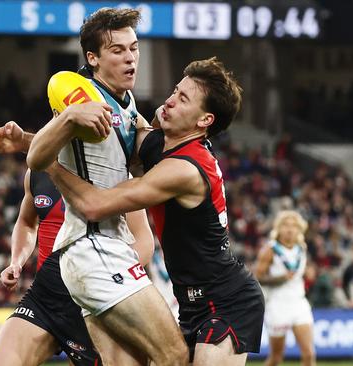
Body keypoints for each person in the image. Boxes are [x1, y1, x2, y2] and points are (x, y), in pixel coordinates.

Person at [42, 57, 265, 366]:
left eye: (183, 99)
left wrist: (48, 163)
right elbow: (118, 141)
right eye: (175, 90)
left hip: (227, 301)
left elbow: (94, 205)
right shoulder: (162, 145)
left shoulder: (184, 169)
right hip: (191, 301)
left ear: (205, 121)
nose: (170, 101)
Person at [21, 7, 188, 366]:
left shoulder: (127, 106)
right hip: (91, 247)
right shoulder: (79, 95)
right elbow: (36, 157)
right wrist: (67, 118)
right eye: (118, 50)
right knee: (174, 354)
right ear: (93, 58)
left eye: (134, 47)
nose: (130, 57)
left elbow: (146, 152)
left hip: (107, 247)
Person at [0, 161, 155, 364]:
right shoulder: (38, 171)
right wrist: (16, 261)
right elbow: (27, 222)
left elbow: (144, 241)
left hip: (96, 302)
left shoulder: (115, 174)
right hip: (47, 295)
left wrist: (108, 278)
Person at [254, 210, 315, 366]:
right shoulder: (270, 249)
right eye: (286, 225)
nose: (290, 229)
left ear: (299, 229)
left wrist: (309, 273)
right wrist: (280, 279)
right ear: (278, 228)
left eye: (294, 226)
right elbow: (257, 277)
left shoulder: (302, 247)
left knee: (309, 354)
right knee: (276, 358)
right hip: (277, 304)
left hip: (299, 302)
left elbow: (298, 273)